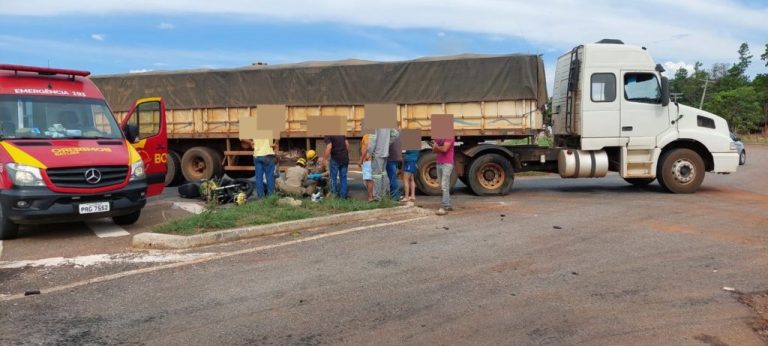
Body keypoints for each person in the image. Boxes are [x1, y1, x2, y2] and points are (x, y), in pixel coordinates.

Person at [367, 128, 392, 201]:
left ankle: (378, 198)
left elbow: (372, 140)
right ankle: (384, 196)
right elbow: (395, 133)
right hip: (385, 152)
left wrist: (369, 153)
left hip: (377, 154)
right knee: (383, 174)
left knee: (376, 176)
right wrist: (387, 144)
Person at [432, 137, 455, 215]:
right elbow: (433, 150)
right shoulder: (439, 138)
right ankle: (447, 204)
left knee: (444, 185)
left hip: (447, 163)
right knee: (443, 185)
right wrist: (439, 148)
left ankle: (445, 206)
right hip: (439, 163)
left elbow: (445, 149)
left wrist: (437, 147)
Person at [323, 134, 350, 199]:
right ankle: (343, 196)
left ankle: (333, 195)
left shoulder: (328, 135)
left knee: (333, 178)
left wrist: (325, 159)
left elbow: (329, 147)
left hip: (335, 159)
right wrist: (345, 154)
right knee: (343, 177)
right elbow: (347, 144)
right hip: (344, 158)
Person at [386, 130, 402, 199]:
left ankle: (395, 196)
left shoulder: (389, 132)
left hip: (391, 158)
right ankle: (394, 194)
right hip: (396, 157)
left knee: (392, 177)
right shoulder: (397, 131)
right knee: (393, 177)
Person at [359, 132, 375, 201]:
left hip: (367, 160)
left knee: (369, 180)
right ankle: (374, 196)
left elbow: (366, 148)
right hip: (374, 160)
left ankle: (370, 197)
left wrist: (361, 160)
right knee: (373, 179)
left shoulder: (367, 136)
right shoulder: (376, 135)